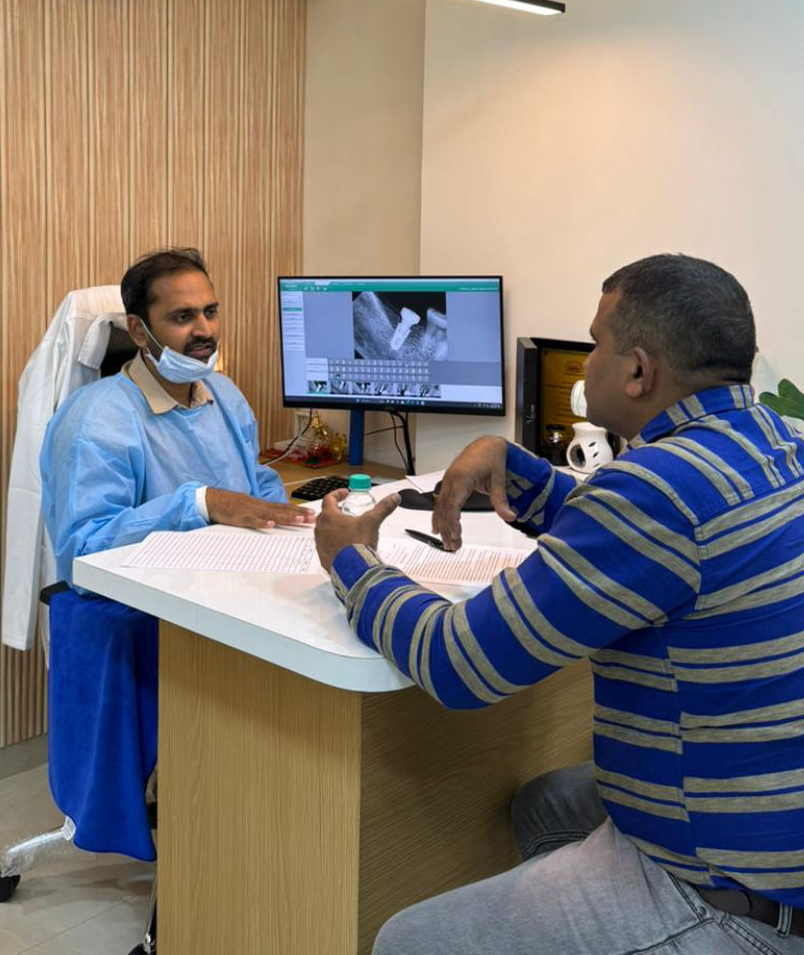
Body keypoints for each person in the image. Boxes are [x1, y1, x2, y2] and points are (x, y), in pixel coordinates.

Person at [314, 253, 804, 954]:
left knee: (406, 940)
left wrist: (352, 562)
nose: (586, 359)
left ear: (638, 372)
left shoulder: (654, 490)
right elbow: (649, 543)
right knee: (544, 807)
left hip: (734, 895)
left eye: (596, 343)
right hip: (775, 821)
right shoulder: (777, 443)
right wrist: (516, 468)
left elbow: (460, 662)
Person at [41, 246, 312, 584]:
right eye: (183, 317)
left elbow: (258, 485)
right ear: (139, 331)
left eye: (210, 312)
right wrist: (200, 504)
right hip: (147, 604)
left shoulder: (224, 394)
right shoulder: (95, 421)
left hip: (234, 581)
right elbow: (83, 552)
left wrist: (294, 525)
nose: (205, 330)